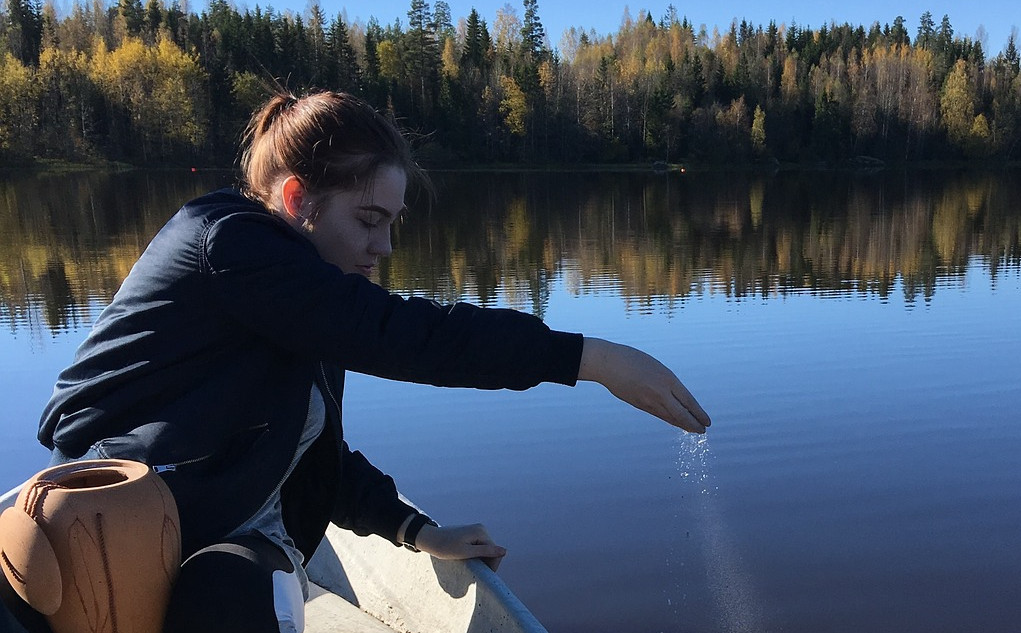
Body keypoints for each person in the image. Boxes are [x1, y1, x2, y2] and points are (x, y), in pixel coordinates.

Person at [27, 90, 710, 633]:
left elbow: (308, 450)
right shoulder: (230, 245)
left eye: (392, 223)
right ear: (298, 201)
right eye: (368, 218)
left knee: (227, 592)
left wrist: (417, 530)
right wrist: (590, 357)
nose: (382, 246)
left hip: (230, 546)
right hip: (108, 532)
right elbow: (410, 333)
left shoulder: (302, 293)